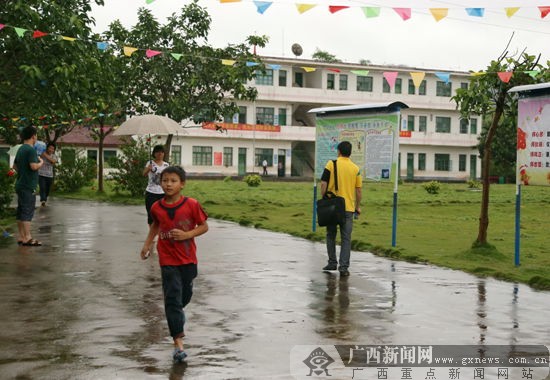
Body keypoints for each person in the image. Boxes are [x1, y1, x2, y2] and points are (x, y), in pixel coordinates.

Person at [140, 166, 208, 363]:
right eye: (165, 180)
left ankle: (177, 314)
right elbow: (155, 224)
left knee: (183, 297)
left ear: (182, 184)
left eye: (173, 181)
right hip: (167, 259)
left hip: (188, 259)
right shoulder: (156, 207)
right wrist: (147, 245)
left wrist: (187, 234)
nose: (168, 184)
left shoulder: (192, 205)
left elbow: (204, 226)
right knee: (172, 299)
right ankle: (178, 343)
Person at [319, 141, 362, 276]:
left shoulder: (331, 164)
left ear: (339, 151)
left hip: (332, 206)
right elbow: (359, 191)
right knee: (346, 238)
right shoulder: (356, 168)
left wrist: (324, 196)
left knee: (331, 235)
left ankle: (332, 262)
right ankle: (343, 267)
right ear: (350, 153)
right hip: (348, 208)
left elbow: (323, 183)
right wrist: (357, 207)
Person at [13, 126, 43, 246]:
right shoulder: (30, 150)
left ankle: (21, 236)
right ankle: (28, 237)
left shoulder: (20, 149)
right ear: (33, 136)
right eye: (36, 135)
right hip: (28, 185)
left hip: (20, 183)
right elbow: (34, 167)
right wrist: (40, 162)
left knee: (21, 211)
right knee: (27, 211)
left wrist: (23, 171)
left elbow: (15, 166)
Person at [143, 145, 169, 225]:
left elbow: (169, 178)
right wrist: (148, 169)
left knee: (162, 214)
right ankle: (152, 234)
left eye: (162, 152)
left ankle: (160, 232)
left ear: (164, 153)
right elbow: (143, 174)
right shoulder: (150, 163)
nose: (160, 154)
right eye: (157, 152)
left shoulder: (166, 165)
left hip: (163, 193)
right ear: (154, 153)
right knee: (151, 214)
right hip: (151, 193)